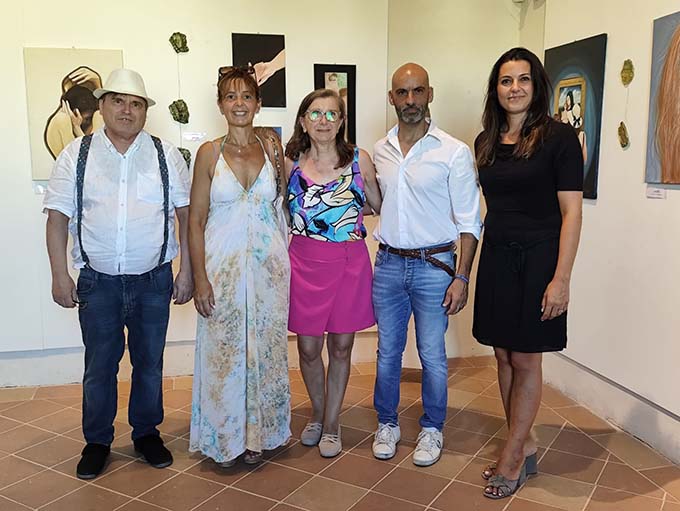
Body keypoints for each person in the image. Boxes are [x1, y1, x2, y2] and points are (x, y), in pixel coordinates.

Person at [43, 68, 193, 479]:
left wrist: (187, 271)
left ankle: (146, 434)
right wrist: (60, 275)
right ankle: (97, 441)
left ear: (145, 111)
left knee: (150, 364)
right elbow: (56, 219)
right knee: (99, 367)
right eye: (118, 101)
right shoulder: (76, 155)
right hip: (98, 282)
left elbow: (186, 216)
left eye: (136, 103)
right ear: (102, 105)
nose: (127, 110)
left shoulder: (166, 155)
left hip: (154, 280)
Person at [473, 47, 583, 499]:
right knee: (502, 355)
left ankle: (513, 457)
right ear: (496, 89)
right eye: (506, 80)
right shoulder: (485, 141)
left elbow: (571, 213)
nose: (514, 88)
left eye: (523, 79)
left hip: (539, 260)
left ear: (536, 86)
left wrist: (561, 279)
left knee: (525, 358)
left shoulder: (559, 138)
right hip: (498, 255)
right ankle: (525, 442)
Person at [371, 63, 482, 467]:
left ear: (430, 94)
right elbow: (378, 204)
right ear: (392, 98)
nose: (411, 100)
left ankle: (432, 428)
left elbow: (470, 222)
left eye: (418, 91)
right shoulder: (380, 150)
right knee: (387, 352)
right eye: (402, 93)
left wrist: (462, 276)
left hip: (435, 267)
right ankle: (387, 423)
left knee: (432, 354)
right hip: (388, 265)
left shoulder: (453, 151)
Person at [188, 66, 291, 467]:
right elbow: (196, 220)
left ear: (258, 103)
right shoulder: (209, 153)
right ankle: (225, 438)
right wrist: (200, 279)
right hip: (222, 269)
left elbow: (282, 208)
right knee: (224, 353)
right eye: (230, 97)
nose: (239, 104)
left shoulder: (272, 148)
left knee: (266, 351)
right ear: (220, 105)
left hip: (269, 270)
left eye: (246, 96)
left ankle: (258, 437)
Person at [285, 89, 382, 458]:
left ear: (342, 121)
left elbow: (377, 204)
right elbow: (280, 210)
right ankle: (317, 411)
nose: (323, 121)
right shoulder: (290, 163)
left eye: (331, 114)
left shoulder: (360, 159)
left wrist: (346, 214)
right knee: (308, 348)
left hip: (348, 263)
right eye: (315, 113)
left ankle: (331, 423)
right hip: (304, 262)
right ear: (303, 120)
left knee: (341, 347)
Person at [44, 66, 105, 159]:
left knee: (99, 115)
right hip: (77, 164)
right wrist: (76, 127)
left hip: (91, 162)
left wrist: (97, 84)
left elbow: (95, 157)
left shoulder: (97, 116)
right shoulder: (61, 120)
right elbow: (80, 161)